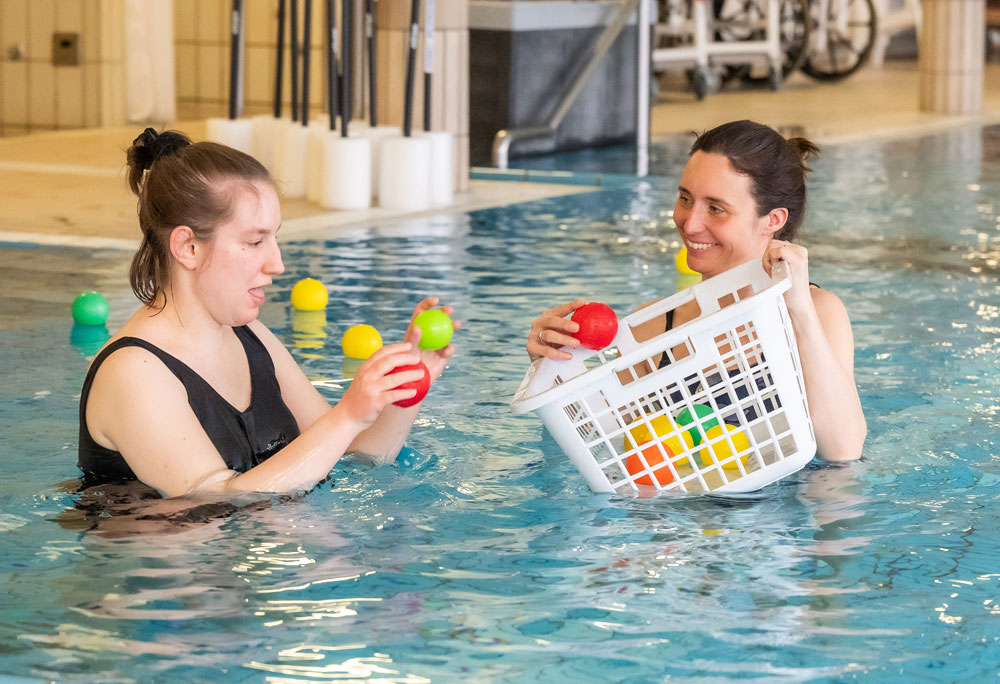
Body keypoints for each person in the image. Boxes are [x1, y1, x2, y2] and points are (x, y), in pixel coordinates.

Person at [78, 128, 458, 498]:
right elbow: (214, 500)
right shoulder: (132, 371)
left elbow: (351, 456)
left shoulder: (251, 336)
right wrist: (348, 415)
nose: (277, 264)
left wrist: (407, 388)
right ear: (188, 247)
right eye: (255, 241)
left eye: (274, 238)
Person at [525, 120, 866, 462]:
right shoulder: (655, 328)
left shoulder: (817, 311)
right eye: (685, 198)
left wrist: (800, 311)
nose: (689, 223)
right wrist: (554, 368)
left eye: (715, 208)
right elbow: (597, 449)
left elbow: (843, 452)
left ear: (773, 220)